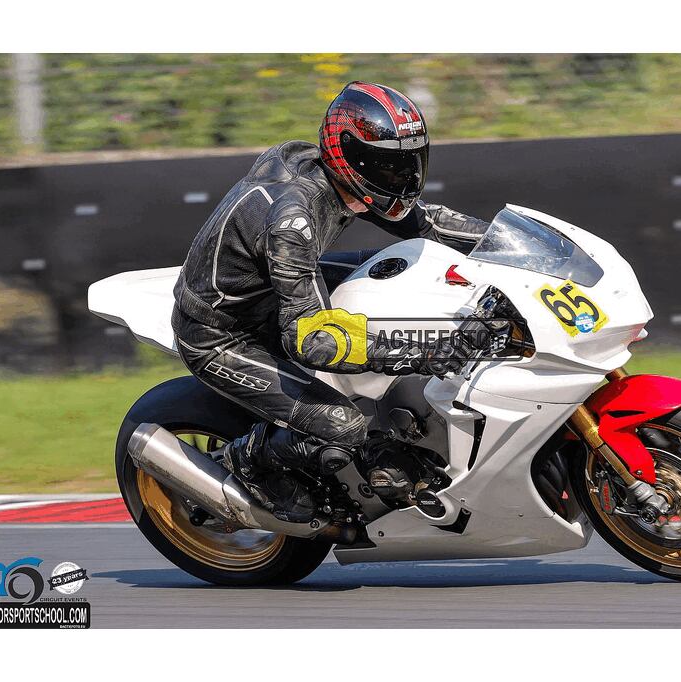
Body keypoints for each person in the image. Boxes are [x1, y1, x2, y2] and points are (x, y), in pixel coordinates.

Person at [172, 81, 492, 521]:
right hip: (225, 335)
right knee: (344, 427)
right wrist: (422, 351)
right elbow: (311, 341)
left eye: (409, 164)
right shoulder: (292, 220)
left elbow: (428, 224)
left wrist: (509, 246)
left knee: (407, 268)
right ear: (351, 158)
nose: (403, 179)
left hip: (275, 294)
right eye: (389, 166)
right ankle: (245, 460)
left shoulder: (349, 180)